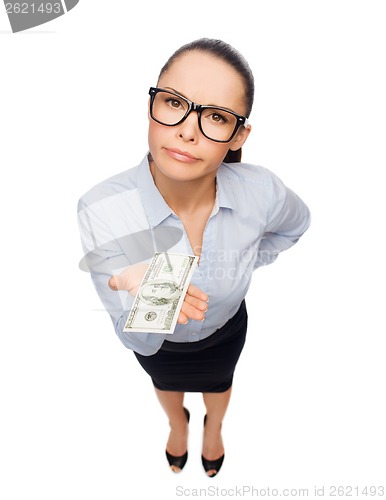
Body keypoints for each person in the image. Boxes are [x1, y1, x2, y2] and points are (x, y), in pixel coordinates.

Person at [77, 38, 311, 477]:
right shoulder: (104, 208)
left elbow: (295, 225)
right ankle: (177, 425)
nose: (187, 130)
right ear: (153, 105)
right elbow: (138, 340)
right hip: (160, 348)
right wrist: (155, 293)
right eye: (174, 103)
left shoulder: (261, 190)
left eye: (216, 117)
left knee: (220, 381)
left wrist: (244, 261)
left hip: (225, 331)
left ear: (239, 134)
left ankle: (215, 427)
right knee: (164, 383)